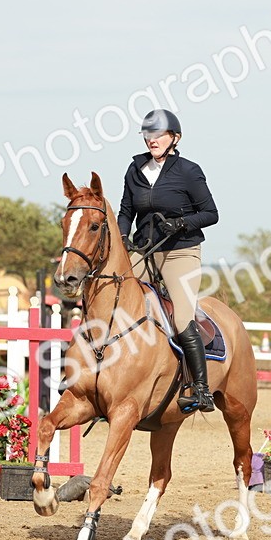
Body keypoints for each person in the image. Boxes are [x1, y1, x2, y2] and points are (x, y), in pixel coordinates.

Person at [117, 109, 218, 413]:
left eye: (159, 135)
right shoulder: (135, 169)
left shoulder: (188, 171)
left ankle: (201, 389)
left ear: (175, 138)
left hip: (180, 252)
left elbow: (211, 213)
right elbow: (125, 212)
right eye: (148, 135)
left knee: (182, 318)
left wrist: (183, 223)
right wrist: (122, 239)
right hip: (143, 251)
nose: (152, 140)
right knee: (112, 293)